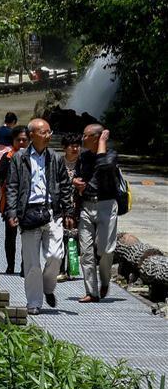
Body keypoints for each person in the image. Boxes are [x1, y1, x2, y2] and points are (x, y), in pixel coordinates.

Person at [5, 118, 74, 315]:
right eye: (44, 132)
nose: (49, 135)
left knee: (55, 256)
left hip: (52, 212)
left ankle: (48, 288)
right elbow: (12, 186)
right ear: (32, 135)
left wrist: (68, 210)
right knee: (32, 262)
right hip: (28, 213)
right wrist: (11, 212)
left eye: (50, 132)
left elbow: (65, 185)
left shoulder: (55, 157)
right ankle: (34, 302)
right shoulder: (19, 158)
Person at [73, 125, 119, 303]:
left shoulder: (111, 155)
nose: (82, 139)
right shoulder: (83, 157)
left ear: (96, 137)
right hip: (86, 205)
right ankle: (92, 292)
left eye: (85, 136)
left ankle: (105, 280)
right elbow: (77, 175)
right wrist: (75, 181)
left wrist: (102, 144)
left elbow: (104, 166)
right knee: (86, 252)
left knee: (106, 250)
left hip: (106, 205)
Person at [0, 125, 29, 275]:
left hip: (28, 203)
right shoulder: (7, 157)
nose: (21, 143)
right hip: (10, 201)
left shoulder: (32, 157)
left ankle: (24, 266)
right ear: (13, 141)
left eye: (24, 140)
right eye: (18, 140)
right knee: (10, 236)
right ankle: (10, 265)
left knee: (27, 237)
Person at [58, 133, 82, 281]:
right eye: (72, 146)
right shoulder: (58, 162)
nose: (75, 148)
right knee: (60, 238)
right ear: (64, 148)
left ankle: (72, 269)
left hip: (78, 205)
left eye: (77, 145)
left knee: (74, 237)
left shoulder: (83, 163)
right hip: (60, 206)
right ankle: (60, 269)